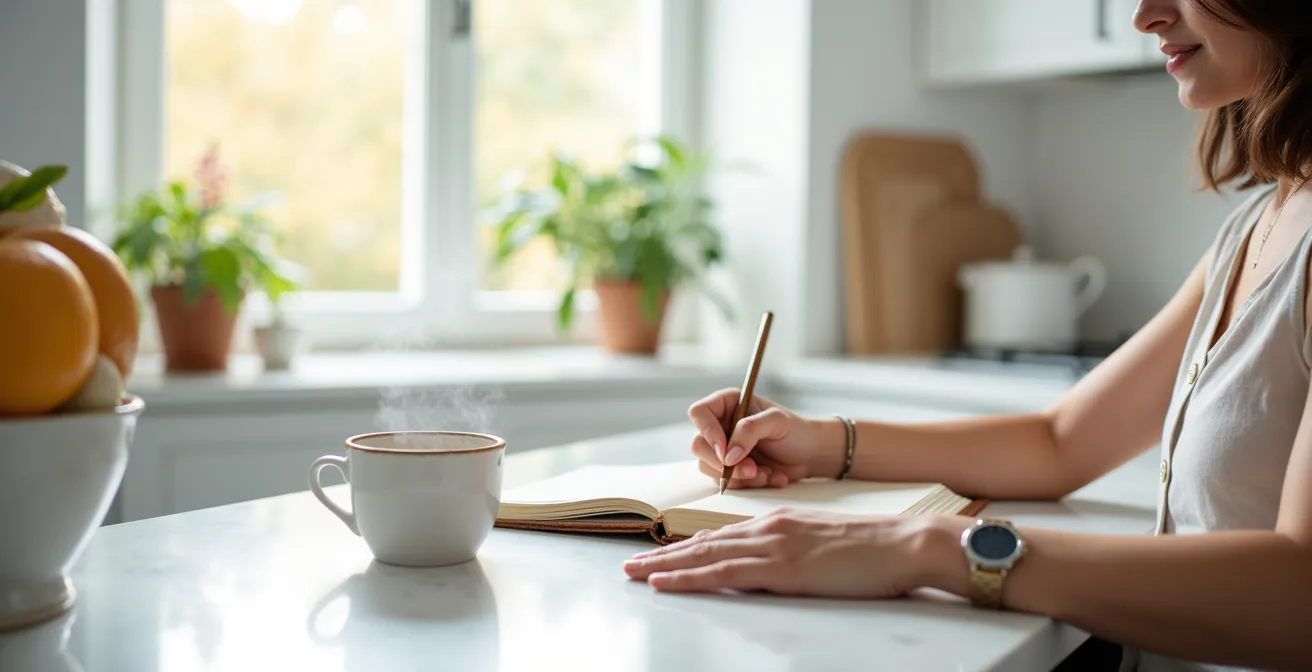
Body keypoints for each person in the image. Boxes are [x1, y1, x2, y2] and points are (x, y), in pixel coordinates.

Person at [621, 1, 1312, 670]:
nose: (1144, 15)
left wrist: (928, 547)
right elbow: (1060, 442)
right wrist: (818, 441)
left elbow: (1298, 593)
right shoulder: (1255, 223)